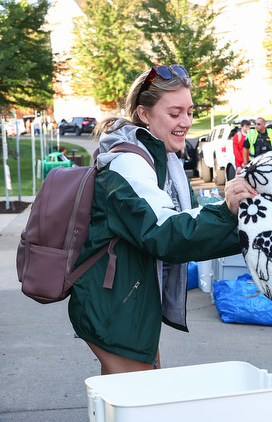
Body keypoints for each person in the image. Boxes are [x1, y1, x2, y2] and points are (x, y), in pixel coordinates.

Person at [69, 64, 258, 377]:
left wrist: (244, 226)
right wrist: (226, 212)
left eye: (189, 111)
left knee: (123, 411)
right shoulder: (129, 165)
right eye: (174, 113)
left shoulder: (160, 159)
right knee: (138, 411)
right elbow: (165, 234)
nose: (185, 122)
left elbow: (186, 226)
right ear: (144, 115)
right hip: (114, 307)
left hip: (126, 300)